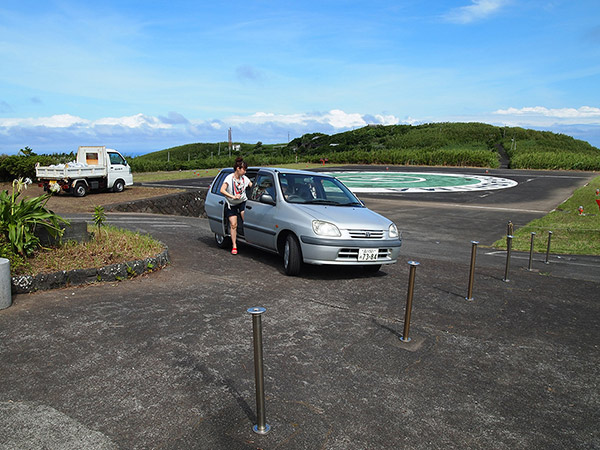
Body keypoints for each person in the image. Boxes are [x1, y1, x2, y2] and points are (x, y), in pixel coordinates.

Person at [220, 157, 253, 254]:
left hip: (242, 202)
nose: (245, 172)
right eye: (244, 169)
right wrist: (233, 197)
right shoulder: (229, 178)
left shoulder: (244, 179)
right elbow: (222, 190)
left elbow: (253, 186)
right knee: (233, 224)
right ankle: (234, 245)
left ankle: (249, 240)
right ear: (238, 169)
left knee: (245, 220)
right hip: (231, 204)